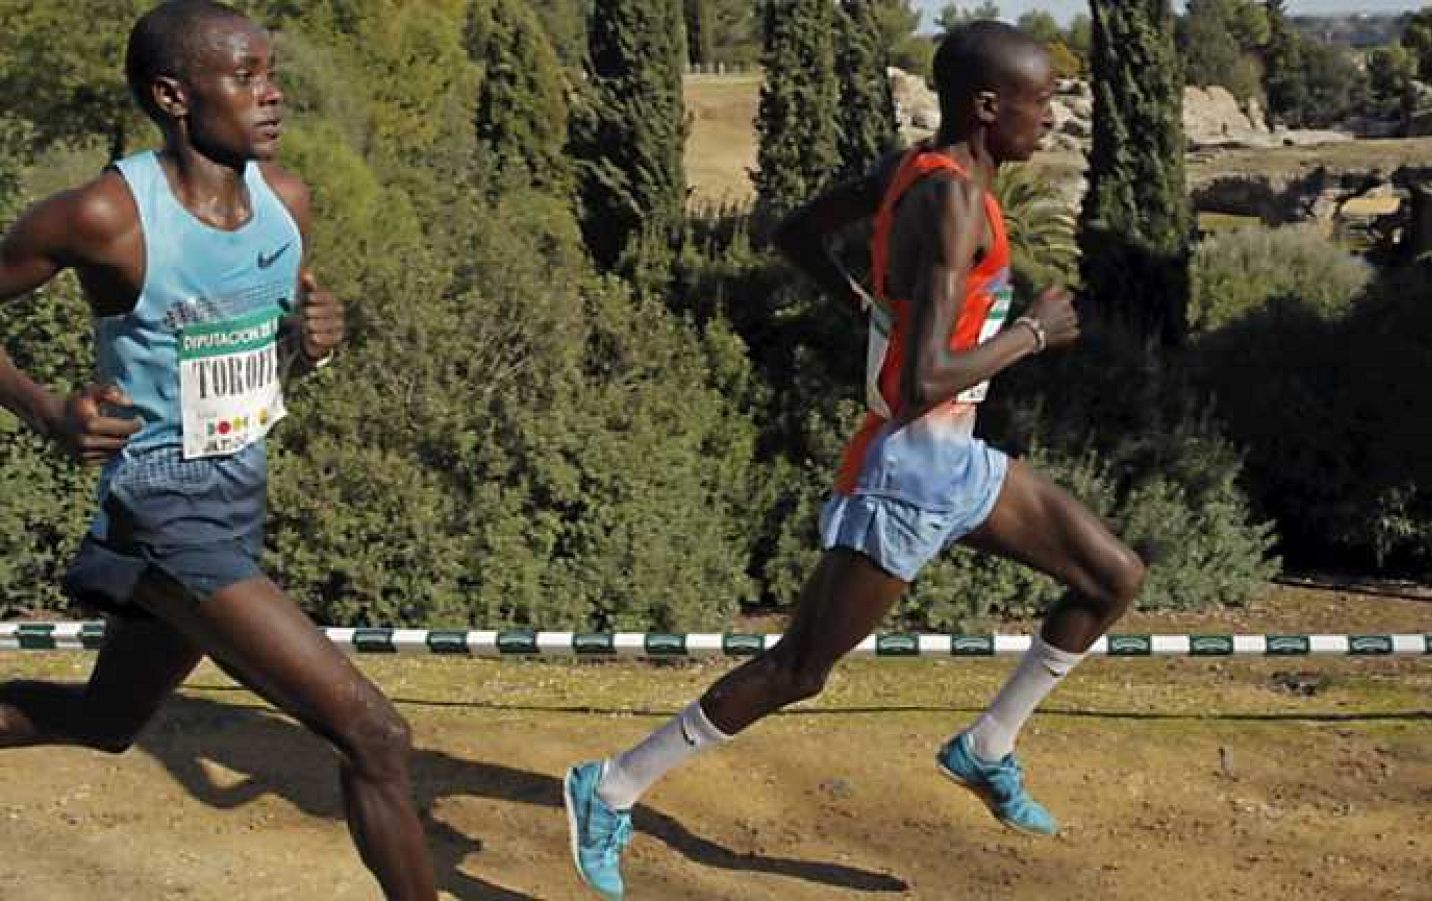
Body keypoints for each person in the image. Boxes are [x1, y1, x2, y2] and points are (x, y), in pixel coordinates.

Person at [564, 20, 1146, 899]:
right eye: (1041, 103)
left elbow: (795, 233)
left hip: (959, 462)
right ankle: (609, 786)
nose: (1053, 119)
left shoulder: (911, 171)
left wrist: (867, 314)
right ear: (988, 108)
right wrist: (1032, 333)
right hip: (905, 472)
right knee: (798, 669)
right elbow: (919, 384)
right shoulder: (950, 201)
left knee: (1111, 576)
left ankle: (985, 747)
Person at [0, 3, 436, 897]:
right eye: (244, 77)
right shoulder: (105, 215)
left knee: (105, 719)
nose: (272, 94)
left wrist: (310, 345)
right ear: (173, 95)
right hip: (162, 505)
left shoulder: (287, 203)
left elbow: (254, 371)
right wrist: (45, 410)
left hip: (236, 499)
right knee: (375, 736)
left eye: (269, 72)